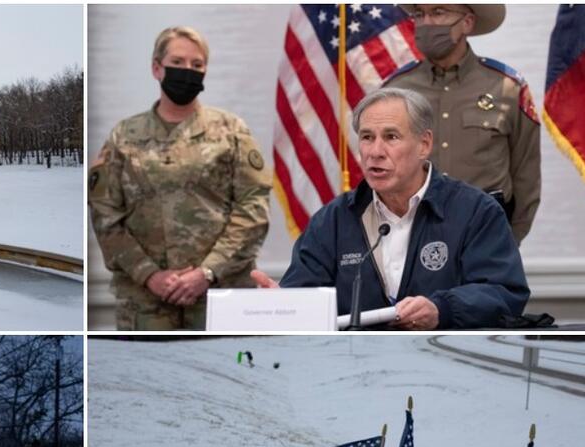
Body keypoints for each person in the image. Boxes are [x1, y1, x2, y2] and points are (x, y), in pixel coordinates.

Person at [251, 88, 529, 330]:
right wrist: (283, 304)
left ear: (424, 144)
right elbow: (305, 295)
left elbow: (504, 293)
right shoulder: (334, 220)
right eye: (367, 137)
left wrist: (442, 310)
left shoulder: (474, 212)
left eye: (391, 137)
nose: (375, 151)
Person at [89, 26, 271, 330]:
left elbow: (253, 209)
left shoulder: (231, 131)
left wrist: (207, 272)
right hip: (145, 303)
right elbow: (104, 214)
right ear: (156, 68)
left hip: (221, 297)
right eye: (178, 62)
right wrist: (149, 274)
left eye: (197, 65)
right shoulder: (124, 136)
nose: (188, 71)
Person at [385, 4, 540, 244]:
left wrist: (509, 240)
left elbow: (525, 175)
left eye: (437, 13)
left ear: (467, 22)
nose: (426, 23)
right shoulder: (396, 89)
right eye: (419, 15)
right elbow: (382, 166)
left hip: (484, 232)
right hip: (412, 233)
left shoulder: (506, 87)